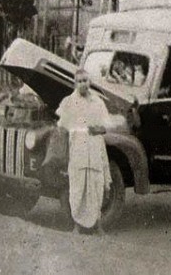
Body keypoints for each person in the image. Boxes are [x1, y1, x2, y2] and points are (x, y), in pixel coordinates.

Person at [56, 69, 113, 234]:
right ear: (75, 83)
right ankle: (77, 225)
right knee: (77, 187)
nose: (83, 84)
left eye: (85, 80)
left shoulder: (98, 102)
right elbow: (62, 127)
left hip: (95, 147)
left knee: (96, 186)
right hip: (78, 149)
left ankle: (97, 225)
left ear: (90, 82)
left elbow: (106, 126)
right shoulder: (69, 102)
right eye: (79, 81)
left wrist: (97, 129)